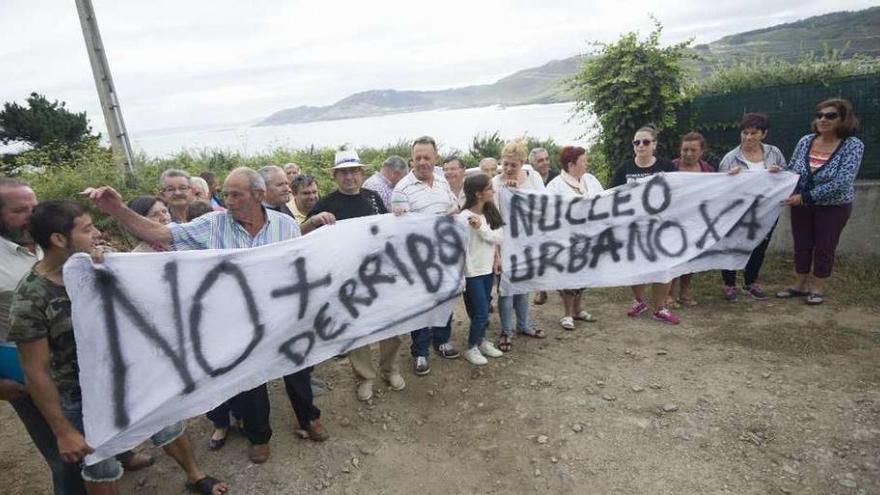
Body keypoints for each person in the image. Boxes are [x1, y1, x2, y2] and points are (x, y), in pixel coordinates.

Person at [85, 167, 329, 464]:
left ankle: (308, 418)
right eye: (225, 194)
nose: (228, 200)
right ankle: (259, 436)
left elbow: (297, 265)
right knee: (250, 380)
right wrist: (117, 209)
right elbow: (159, 233)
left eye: (236, 194)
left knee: (298, 367)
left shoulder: (284, 225)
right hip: (236, 324)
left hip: (281, 316)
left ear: (259, 195)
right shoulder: (212, 225)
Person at [10, 200, 227, 495]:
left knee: (168, 428)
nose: (97, 233)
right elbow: (36, 371)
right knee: (100, 466)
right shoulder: (30, 298)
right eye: (87, 230)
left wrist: (110, 268)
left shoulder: (99, 265)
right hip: (81, 398)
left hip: (134, 378)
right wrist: (63, 430)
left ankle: (195, 476)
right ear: (59, 240)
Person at [1, 179, 90, 495]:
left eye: (33, 207)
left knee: (94, 441)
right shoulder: (26, 289)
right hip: (28, 373)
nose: (30, 215)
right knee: (64, 454)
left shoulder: (47, 242)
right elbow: (34, 368)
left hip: (77, 370)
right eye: (19, 210)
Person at [304, 149, 406, 400]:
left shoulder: (373, 198)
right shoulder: (326, 203)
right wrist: (316, 219)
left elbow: (387, 230)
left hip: (380, 274)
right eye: (343, 173)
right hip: (346, 280)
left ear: (361, 174)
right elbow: (301, 234)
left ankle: (390, 369)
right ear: (335, 176)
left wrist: (399, 220)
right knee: (356, 329)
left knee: (391, 326)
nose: (349, 177)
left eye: (353, 171)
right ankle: (365, 377)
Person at [777, 98, 864, 306]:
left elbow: (842, 181)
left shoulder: (852, 145)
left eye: (831, 115)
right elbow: (793, 169)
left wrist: (805, 197)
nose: (823, 119)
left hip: (834, 207)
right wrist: (779, 173)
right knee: (802, 245)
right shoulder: (806, 141)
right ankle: (798, 285)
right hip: (801, 205)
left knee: (825, 246)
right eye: (820, 115)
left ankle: (817, 288)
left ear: (843, 119)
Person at [391, 136, 461, 376]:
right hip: (417, 262)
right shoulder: (402, 189)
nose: (422, 162)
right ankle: (420, 352)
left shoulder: (443, 183)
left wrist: (454, 210)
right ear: (412, 159)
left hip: (445, 257)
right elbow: (399, 231)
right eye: (418, 157)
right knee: (421, 306)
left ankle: (442, 340)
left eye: (426, 157)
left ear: (435, 158)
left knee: (445, 299)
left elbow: (454, 208)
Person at [610, 125, 680, 325]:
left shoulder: (666, 166)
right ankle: (639, 301)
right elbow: (612, 195)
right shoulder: (625, 168)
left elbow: (681, 190)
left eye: (646, 142)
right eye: (637, 142)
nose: (641, 146)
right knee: (635, 265)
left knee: (664, 266)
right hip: (633, 228)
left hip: (661, 227)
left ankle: (660, 308)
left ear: (654, 144)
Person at [718, 114, 787, 301]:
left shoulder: (774, 153)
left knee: (759, 246)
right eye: (745, 133)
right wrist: (729, 177)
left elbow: (786, 177)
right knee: (731, 245)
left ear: (763, 134)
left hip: (766, 211)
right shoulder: (730, 158)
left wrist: (778, 173)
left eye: (753, 133)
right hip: (737, 211)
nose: (748, 137)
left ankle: (750, 282)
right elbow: (719, 188)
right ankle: (729, 284)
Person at [491, 140, 546, 350]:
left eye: (513, 165)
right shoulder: (496, 182)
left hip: (528, 241)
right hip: (505, 241)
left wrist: (520, 194)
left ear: (522, 163)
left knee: (523, 286)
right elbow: (493, 214)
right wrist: (496, 250)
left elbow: (543, 204)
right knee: (506, 289)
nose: (508, 169)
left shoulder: (533, 178)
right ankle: (506, 331)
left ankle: (524, 324)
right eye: (505, 164)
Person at [545, 146, 603, 329]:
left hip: (589, 235)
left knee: (584, 273)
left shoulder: (590, 180)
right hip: (566, 238)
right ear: (571, 164)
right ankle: (567, 314)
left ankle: (579, 310)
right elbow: (549, 212)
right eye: (583, 161)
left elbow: (604, 199)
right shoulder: (555, 185)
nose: (587, 164)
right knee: (569, 275)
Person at [458, 174, 505, 365]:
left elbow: (499, 238)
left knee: (484, 307)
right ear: (478, 194)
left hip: (487, 270)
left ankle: (481, 340)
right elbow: (462, 248)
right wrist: (466, 272)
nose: (493, 191)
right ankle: (471, 347)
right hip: (473, 272)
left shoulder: (490, 213)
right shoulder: (464, 217)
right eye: (489, 189)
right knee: (481, 311)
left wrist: (481, 229)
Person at [668, 132, 714, 306]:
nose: (688, 153)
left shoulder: (708, 170)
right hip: (672, 221)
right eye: (684, 149)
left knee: (691, 257)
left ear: (702, 150)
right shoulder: (670, 167)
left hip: (697, 221)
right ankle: (669, 294)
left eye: (693, 150)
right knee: (673, 258)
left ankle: (685, 292)